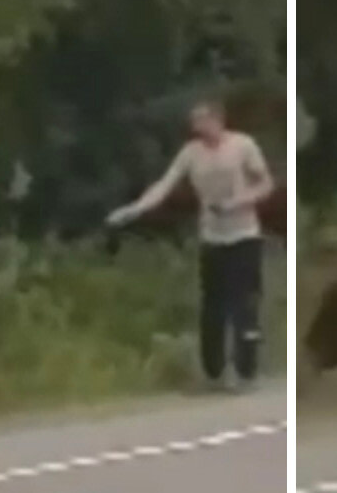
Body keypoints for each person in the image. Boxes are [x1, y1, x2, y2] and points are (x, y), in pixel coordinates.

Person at [107, 98, 277, 391]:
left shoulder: (242, 146)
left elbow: (265, 184)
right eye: (194, 121)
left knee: (244, 305)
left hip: (244, 235)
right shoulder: (191, 153)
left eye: (202, 120)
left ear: (218, 120)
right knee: (213, 307)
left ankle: (245, 372)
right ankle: (213, 373)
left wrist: (237, 203)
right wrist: (134, 209)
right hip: (212, 238)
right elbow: (165, 184)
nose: (196, 126)